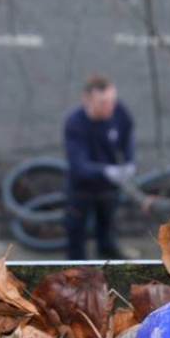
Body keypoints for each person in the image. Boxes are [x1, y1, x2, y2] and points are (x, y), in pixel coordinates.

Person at [62, 73, 135, 260]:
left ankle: (109, 256)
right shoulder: (75, 124)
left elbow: (127, 133)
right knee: (76, 232)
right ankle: (76, 270)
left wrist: (129, 161)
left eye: (112, 101)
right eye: (102, 103)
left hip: (108, 189)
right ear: (87, 99)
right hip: (81, 190)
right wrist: (106, 172)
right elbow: (79, 166)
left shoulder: (118, 113)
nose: (109, 107)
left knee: (107, 225)